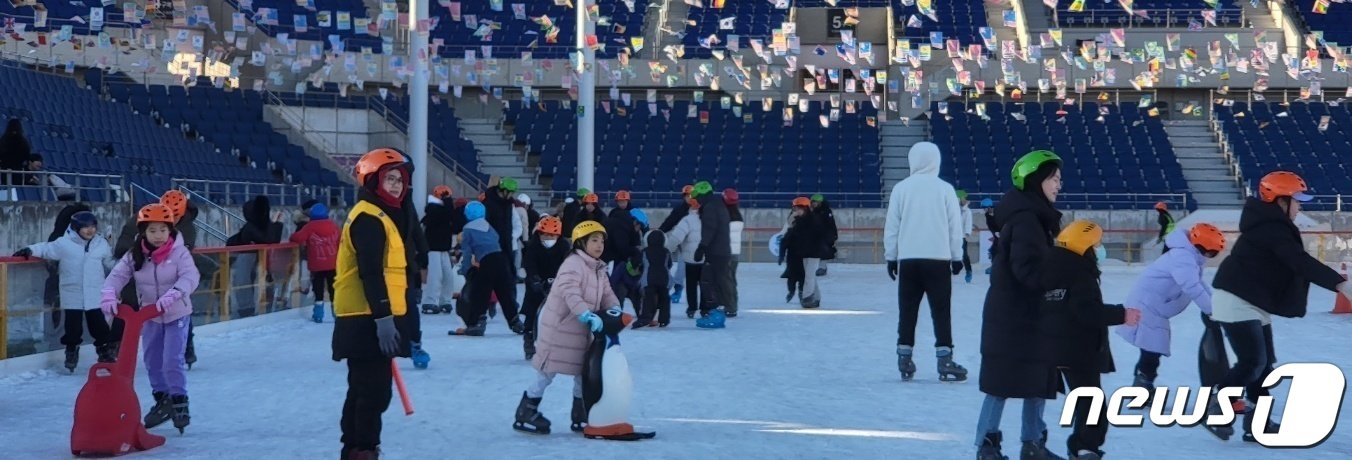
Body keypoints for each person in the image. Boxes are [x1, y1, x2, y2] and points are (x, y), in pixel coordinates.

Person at [1206, 171, 1352, 443]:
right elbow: (1299, 261)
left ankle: (1256, 425)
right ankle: (1217, 402)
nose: (1300, 206)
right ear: (1280, 200)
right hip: (1235, 299)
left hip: (1251, 301)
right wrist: (1340, 285)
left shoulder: (1271, 225)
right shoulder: (1270, 229)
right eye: (1297, 200)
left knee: (1263, 367)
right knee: (1253, 361)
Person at [976, 150, 1065, 460]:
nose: (1059, 184)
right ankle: (988, 446)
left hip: (1025, 314)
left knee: (1035, 381)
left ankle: (1032, 443)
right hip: (1015, 315)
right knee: (1003, 382)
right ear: (1036, 180)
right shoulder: (1027, 219)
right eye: (1054, 178)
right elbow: (1027, 269)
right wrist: (1060, 278)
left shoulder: (1032, 215)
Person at [330, 149, 419, 458]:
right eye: (389, 178)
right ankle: (362, 448)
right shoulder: (369, 217)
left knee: (366, 390)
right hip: (366, 318)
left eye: (400, 180)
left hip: (376, 316)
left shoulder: (385, 214)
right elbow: (370, 271)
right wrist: (383, 318)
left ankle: (357, 447)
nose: (396, 186)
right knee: (372, 392)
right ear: (373, 181)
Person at [1038, 220, 1141, 460]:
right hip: (1078, 348)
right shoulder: (1080, 272)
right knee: (1092, 404)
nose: (1099, 249)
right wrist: (1122, 314)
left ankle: (1074, 445)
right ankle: (1085, 448)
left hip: (1055, 345)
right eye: (1097, 244)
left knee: (1083, 401)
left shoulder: (1052, 265)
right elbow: (1085, 311)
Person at [99, 203, 201, 434]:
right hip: (150, 314)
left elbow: (190, 276)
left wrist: (175, 293)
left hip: (177, 313)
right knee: (151, 359)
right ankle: (162, 398)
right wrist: (108, 294)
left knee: (172, 359)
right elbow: (117, 276)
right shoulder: (135, 254)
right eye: (153, 230)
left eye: (163, 230)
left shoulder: (179, 252)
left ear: (170, 230)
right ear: (143, 231)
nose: (158, 236)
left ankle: (179, 400)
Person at [512, 221, 620, 435]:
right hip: (560, 329)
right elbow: (570, 292)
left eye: (601, 241)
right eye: (594, 241)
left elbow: (607, 292)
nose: (599, 245)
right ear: (581, 243)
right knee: (547, 372)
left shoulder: (598, 267)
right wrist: (584, 313)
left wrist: (616, 309)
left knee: (582, 372)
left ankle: (580, 414)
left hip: (582, 330)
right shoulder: (573, 264)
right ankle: (526, 410)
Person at [884, 142, 968, 383]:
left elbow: (893, 225)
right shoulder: (945, 189)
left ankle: (904, 357)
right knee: (941, 311)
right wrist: (956, 255)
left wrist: (891, 256)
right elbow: (955, 226)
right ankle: (945, 359)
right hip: (938, 260)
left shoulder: (901, 189)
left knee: (907, 311)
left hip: (909, 260)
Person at [1117, 223, 1225, 397]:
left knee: (1151, 349)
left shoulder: (1188, 256)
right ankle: (1141, 388)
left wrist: (1216, 305)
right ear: (1200, 247)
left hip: (1153, 306)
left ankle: (1142, 386)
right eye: (1211, 252)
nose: (1211, 256)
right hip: (1147, 307)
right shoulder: (1183, 257)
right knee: (1151, 349)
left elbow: (1199, 284)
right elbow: (1192, 287)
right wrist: (1213, 311)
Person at [12, 211, 116, 369]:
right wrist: (30, 250)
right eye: (85, 227)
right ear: (76, 228)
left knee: (99, 326)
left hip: (94, 292)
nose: (90, 231)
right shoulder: (64, 244)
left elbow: (110, 262)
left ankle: (104, 350)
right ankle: (71, 350)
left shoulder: (101, 243)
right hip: (72, 293)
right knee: (72, 328)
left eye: (93, 227)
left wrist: (126, 265)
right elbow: (46, 248)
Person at [452, 201, 524, 336]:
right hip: (501, 259)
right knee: (504, 291)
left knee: (481, 292)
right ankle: (515, 321)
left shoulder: (467, 229)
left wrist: (466, 269)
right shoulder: (489, 226)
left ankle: (478, 322)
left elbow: (467, 252)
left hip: (487, 261)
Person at [521, 216, 570, 359]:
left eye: (552, 235)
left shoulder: (564, 246)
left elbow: (567, 265)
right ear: (539, 233)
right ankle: (529, 338)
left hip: (558, 284)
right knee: (531, 311)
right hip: (536, 284)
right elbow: (529, 265)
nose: (548, 238)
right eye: (545, 235)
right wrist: (534, 280)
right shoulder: (532, 247)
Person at [226, 195, 282, 318]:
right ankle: (253, 307)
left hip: (251, 257)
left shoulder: (252, 228)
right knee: (250, 280)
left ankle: (249, 308)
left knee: (247, 280)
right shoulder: (261, 227)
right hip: (253, 258)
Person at [291, 203, 340, 323]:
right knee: (334, 288)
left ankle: (318, 314)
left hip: (316, 265)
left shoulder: (310, 226)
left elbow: (297, 238)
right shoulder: (333, 225)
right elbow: (341, 239)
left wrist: (293, 236)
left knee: (318, 289)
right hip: (333, 263)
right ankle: (337, 314)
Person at [691, 181, 731, 327]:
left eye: (698, 197)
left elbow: (710, 229)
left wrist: (701, 247)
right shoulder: (719, 205)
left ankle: (716, 314)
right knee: (717, 282)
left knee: (709, 282)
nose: (697, 201)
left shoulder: (710, 207)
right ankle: (717, 312)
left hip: (715, 252)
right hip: (722, 251)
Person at [421, 185, 460, 316]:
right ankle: (430, 300)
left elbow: (454, 222)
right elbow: (444, 216)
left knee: (448, 276)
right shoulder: (433, 209)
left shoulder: (444, 210)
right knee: (435, 275)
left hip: (444, 248)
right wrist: (448, 203)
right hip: (433, 247)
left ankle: (445, 300)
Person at [780, 197, 824, 309]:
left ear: (805, 208)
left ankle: (807, 298)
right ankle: (817, 298)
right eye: (795, 209)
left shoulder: (813, 220)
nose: (796, 211)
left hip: (813, 252)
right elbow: (789, 232)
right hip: (803, 253)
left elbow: (817, 236)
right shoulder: (796, 220)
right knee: (811, 275)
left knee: (808, 276)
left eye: (799, 209)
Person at [664, 196, 703, 320]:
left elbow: (676, 238)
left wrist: (668, 249)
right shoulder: (708, 218)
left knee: (691, 284)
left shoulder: (687, 219)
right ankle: (705, 309)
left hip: (691, 259)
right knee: (705, 285)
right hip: (705, 258)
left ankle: (692, 308)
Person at [603, 191, 642, 312]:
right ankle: (617, 307)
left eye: (624, 201)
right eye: (620, 201)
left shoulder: (634, 214)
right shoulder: (615, 215)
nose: (622, 203)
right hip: (620, 253)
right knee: (620, 283)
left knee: (621, 282)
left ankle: (617, 307)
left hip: (625, 254)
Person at [635, 208, 672, 328]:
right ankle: (664, 319)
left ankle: (645, 318)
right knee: (665, 299)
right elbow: (669, 264)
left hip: (649, 279)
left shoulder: (645, 251)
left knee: (648, 299)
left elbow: (640, 264)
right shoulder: (666, 252)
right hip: (664, 279)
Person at [659, 185, 695, 304]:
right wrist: (660, 231)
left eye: (691, 195)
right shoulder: (680, 209)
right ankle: (675, 288)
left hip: (697, 244)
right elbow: (669, 222)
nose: (689, 198)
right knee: (680, 266)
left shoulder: (699, 209)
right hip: (682, 242)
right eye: (687, 195)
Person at [723, 189, 744, 317]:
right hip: (735, 253)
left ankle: (730, 307)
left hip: (726, 253)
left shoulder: (726, 217)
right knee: (731, 280)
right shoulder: (738, 216)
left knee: (727, 281)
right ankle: (732, 306)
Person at [810, 194, 837, 277]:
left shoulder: (826, 212)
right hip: (815, 235)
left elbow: (831, 225)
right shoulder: (812, 212)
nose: (813, 204)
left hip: (825, 235)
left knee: (823, 251)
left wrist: (833, 236)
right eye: (812, 202)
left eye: (815, 202)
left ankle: (822, 267)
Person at [1, 118, 32, 191]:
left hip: (4, 168)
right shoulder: (23, 141)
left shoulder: (3, 139)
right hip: (18, 169)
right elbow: (27, 154)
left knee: (5, 188)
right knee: (17, 188)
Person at [958, 190, 975, 283]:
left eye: (964, 198)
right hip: (951, 236)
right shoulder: (952, 209)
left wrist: (967, 232)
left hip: (961, 237)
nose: (963, 200)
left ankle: (968, 271)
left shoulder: (967, 211)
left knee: (964, 255)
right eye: (962, 198)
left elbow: (968, 222)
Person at [983, 197, 998, 275]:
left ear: (989, 207)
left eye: (984, 208)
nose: (984, 210)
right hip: (997, 236)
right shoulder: (987, 216)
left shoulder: (998, 213)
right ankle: (995, 266)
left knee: (995, 250)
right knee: (993, 251)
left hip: (1002, 235)